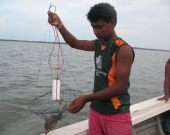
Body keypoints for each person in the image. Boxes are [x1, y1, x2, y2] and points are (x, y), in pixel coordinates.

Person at [48, 2, 134, 135]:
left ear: (112, 23)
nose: (95, 31)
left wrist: (85, 98)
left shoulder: (123, 49)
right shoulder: (97, 44)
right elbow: (74, 43)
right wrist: (59, 25)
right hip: (95, 110)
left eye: (99, 27)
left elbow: (119, 87)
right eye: (93, 27)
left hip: (116, 113)